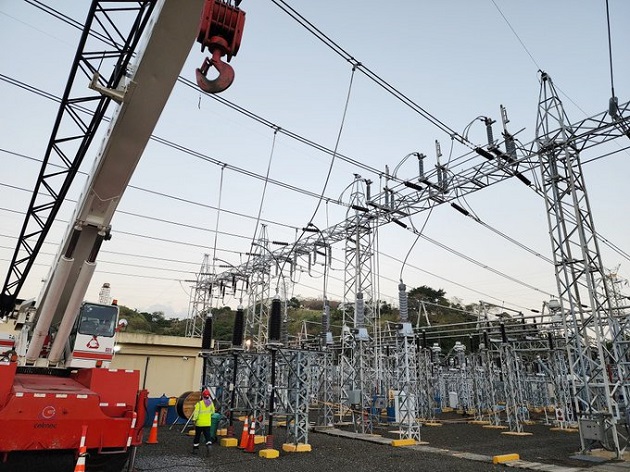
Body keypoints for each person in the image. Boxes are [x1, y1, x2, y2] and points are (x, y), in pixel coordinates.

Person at [191, 388, 215, 453]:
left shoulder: (199, 404)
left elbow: (196, 413)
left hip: (199, 423)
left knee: (197, 435)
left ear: (202, 396)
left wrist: (194, 419)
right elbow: (213, 412)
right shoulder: (211, 404)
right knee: (207, 435)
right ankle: (209, 444)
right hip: (207, 423)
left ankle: (195, 449)